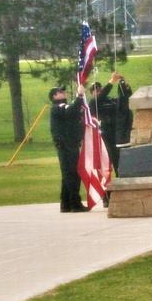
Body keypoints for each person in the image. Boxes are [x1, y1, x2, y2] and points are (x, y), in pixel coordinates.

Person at [88, 71, 133, 207]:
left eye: (100, 88)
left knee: (120, 164)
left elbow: (124, 102)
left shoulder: (111, 100)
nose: (99, 91)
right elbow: (100, 98)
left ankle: (121, 192)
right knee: (106, 168)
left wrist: (125, 87)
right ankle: (106, 196)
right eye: (96, 90)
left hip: (118, 136)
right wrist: (111, 82)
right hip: (104, 138)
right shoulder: (94, 103)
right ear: (92, 93)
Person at [49, 83, 88, 213]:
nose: (63, 92)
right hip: (66, 145)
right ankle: (75, 203)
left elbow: (74, 111)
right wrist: (80, 95)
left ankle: (65, 203)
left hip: (71, 143)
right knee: (72, 174)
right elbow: (71, 110)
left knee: (67, 175)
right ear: (54, 96)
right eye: (60, 92)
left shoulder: (65, 105)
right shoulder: (56, 107)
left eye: (63, 91)